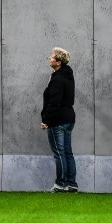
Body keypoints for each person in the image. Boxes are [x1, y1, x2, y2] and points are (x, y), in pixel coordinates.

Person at [41, 47, 77, 193]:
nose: (49, 58)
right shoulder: (68, 76)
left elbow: (54, 102)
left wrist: (46, 119)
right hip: (69, 118)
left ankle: (61, 184)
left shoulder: (57, 79)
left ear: (58, 62)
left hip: (58, 119)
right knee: (67, 152)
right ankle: (71, 183)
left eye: (52, 56)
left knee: (59, 152)